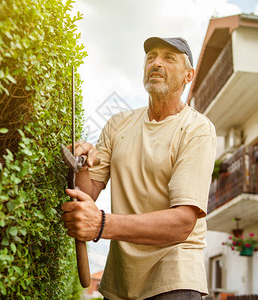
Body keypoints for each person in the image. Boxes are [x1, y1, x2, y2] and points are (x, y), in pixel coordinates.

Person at [61, 37, 217, 300]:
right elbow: (87, 192)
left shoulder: (196, 129)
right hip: (120, 283)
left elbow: (182, 224)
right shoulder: (118, 124)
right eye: (151, 56)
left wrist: (100, 224)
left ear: (188, 75)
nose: (156, 62)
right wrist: (82, 163)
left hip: (174, 279)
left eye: (169, 58)